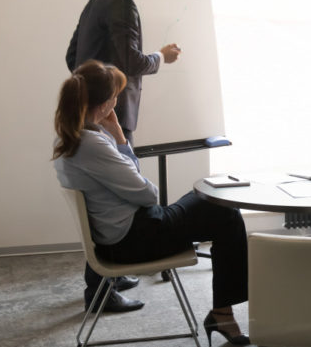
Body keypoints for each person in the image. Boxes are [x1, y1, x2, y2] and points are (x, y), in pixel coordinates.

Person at [53, 60, 250, 346]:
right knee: (226, 211)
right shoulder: (92, 144)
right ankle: (222, 314)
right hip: (134, 239)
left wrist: (119, 139)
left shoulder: (70, 137)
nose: (118, 100)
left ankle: (223, 313)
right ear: (106, 103)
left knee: (209, 197)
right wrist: (120, 141)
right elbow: (148, 194)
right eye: (116, 94)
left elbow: (136, 190)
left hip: (126, 233)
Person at [65, 0, 181, 313]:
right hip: (111, 114)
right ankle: (102, 291)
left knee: (103, 198)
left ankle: (110, 278)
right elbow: (130, 61)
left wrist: (90, 95)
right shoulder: (122, 3)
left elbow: (71, 57)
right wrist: (160, 57)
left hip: (92, 112)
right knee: (120, 195)